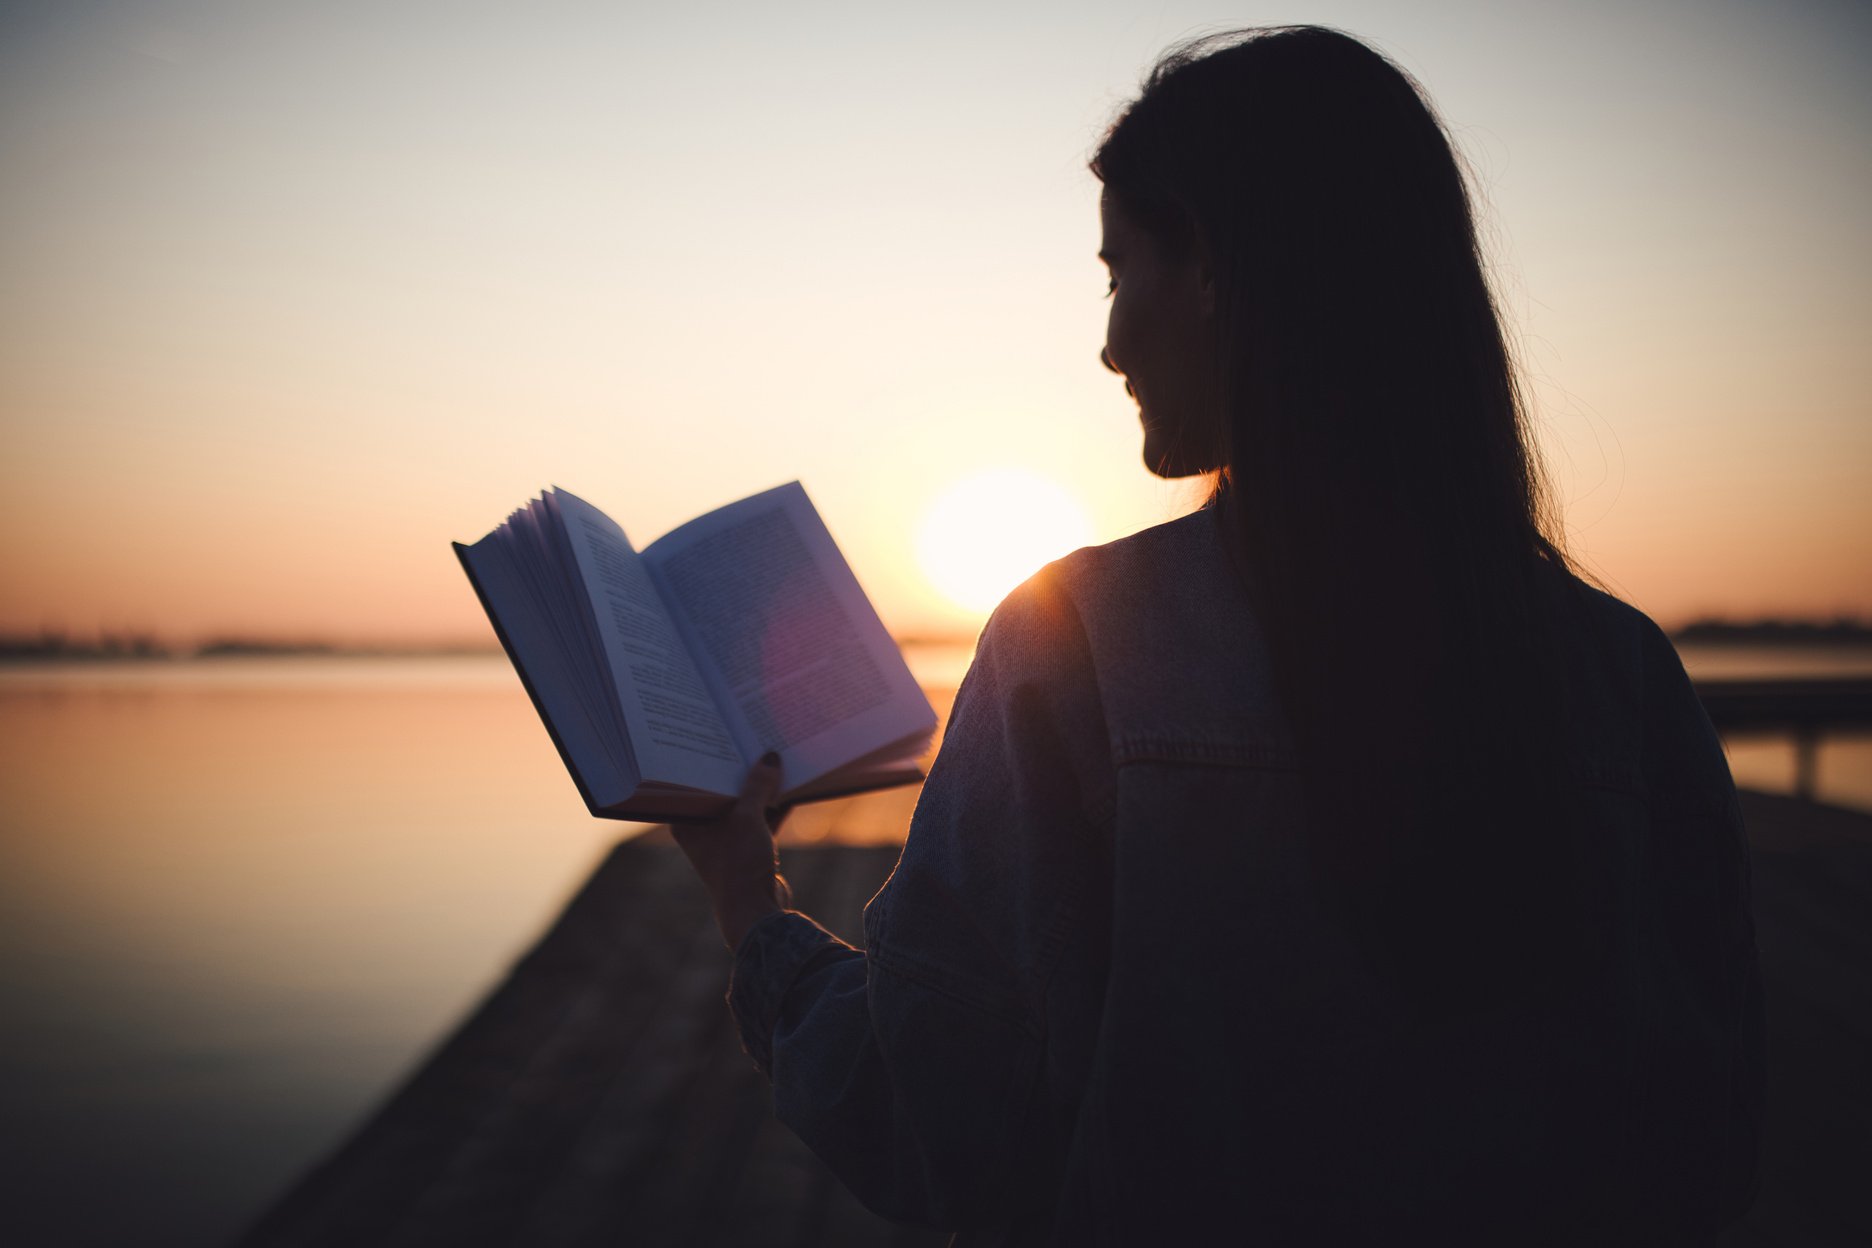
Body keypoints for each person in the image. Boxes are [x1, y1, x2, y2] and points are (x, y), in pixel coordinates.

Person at [673, 25, 1762, 1245]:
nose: (1109, 339)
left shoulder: (1076, 647)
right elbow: (1705, 1132)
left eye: (1117, 268)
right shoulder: (1632, 681)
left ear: (1218, 272)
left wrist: (748, 905)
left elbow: (936, 1116)